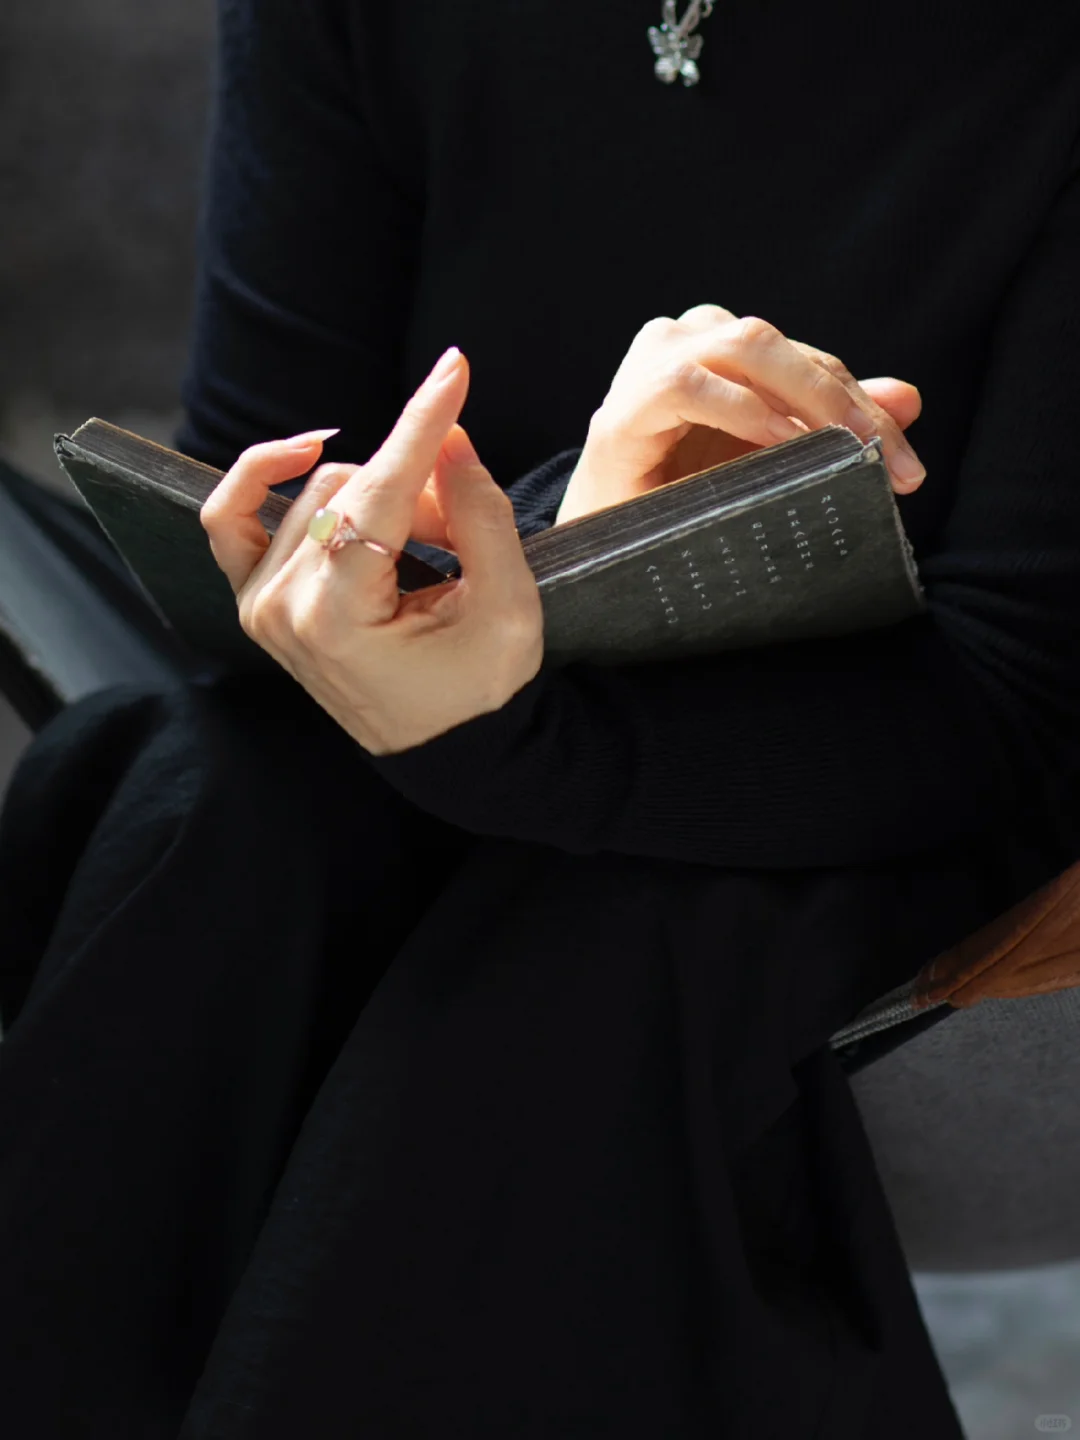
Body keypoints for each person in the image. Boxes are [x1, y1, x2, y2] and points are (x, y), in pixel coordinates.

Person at [0, 0, 1078, 1435]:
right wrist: (545, 537)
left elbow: (1014, 706)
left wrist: (515, 712)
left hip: (928, 834)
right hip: (413, 748)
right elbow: (271, 480)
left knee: (580, 953)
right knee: (213, 799)